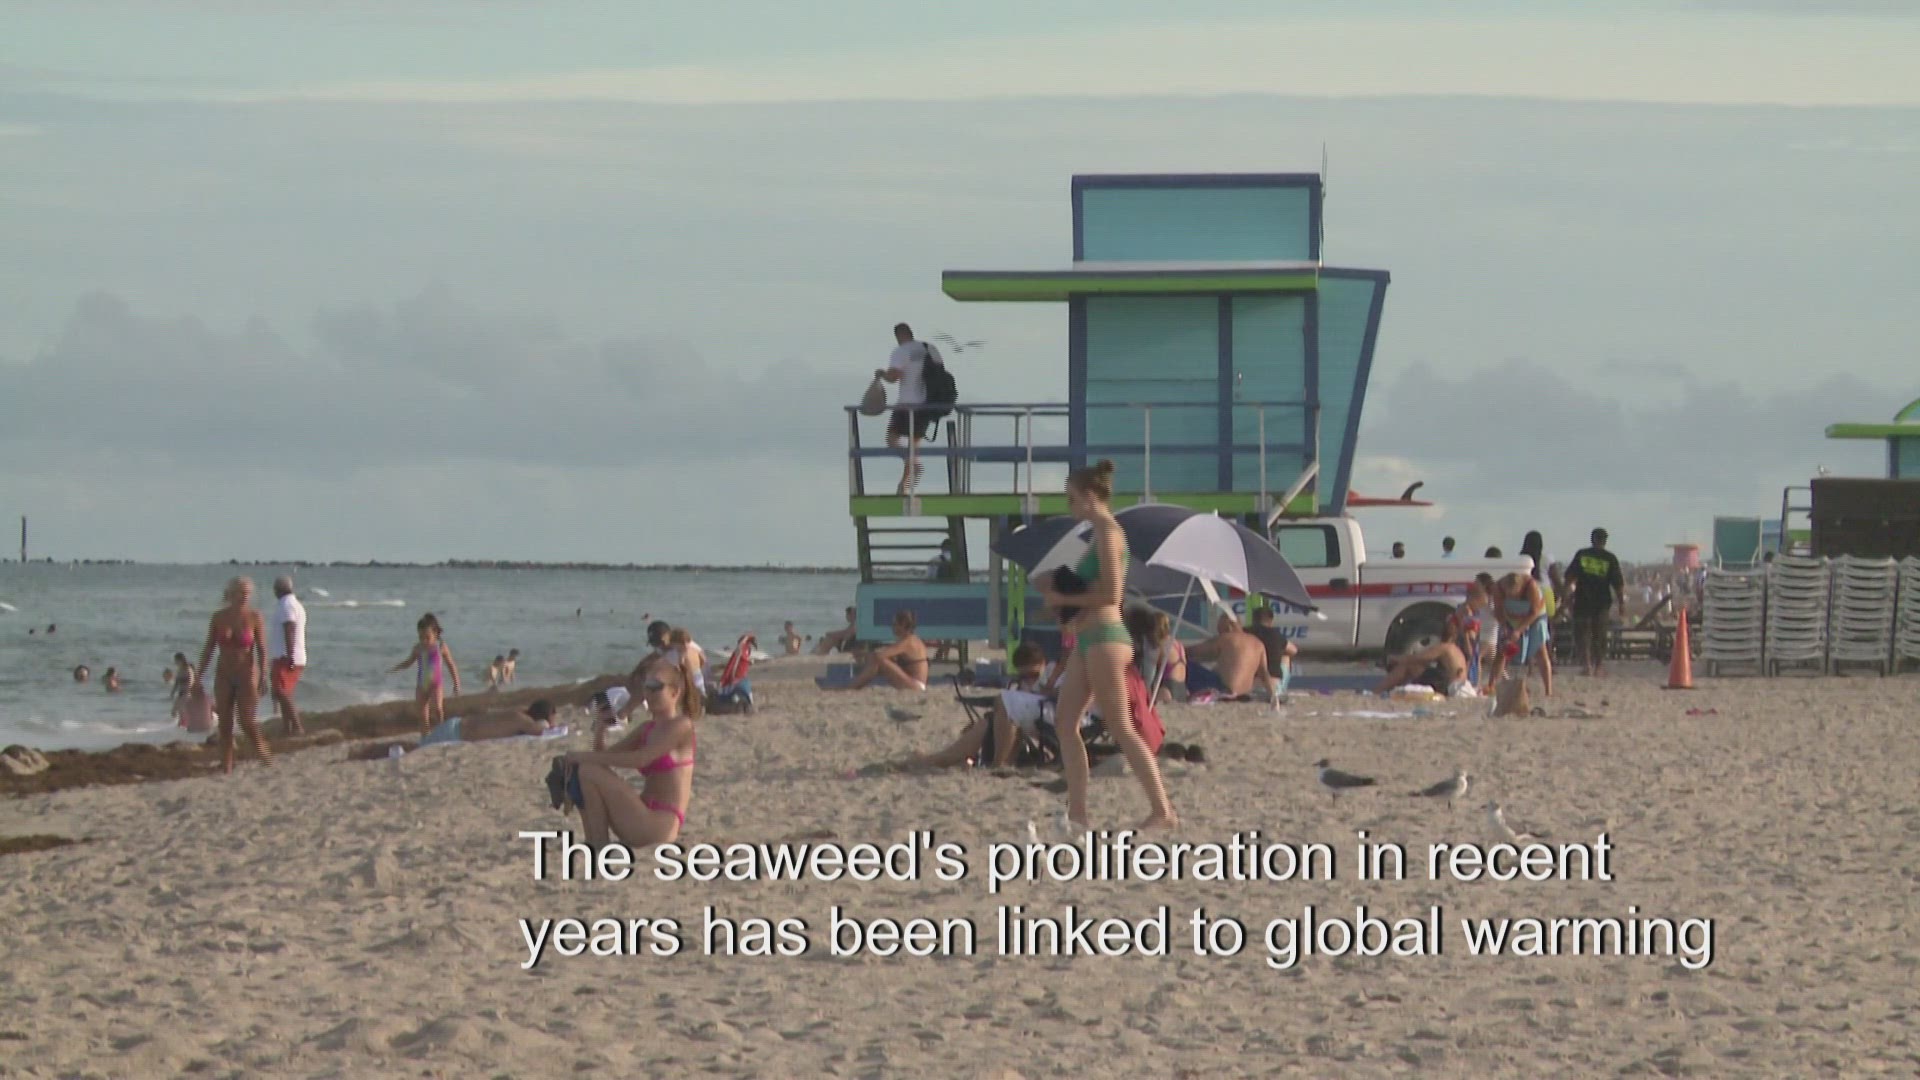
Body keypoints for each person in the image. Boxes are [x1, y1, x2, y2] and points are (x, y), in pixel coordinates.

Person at [1031, 459, 1177, 832]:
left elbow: (1113, 594)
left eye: (1072, 498)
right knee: (1065, 723)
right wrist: (1060, 593)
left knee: (1120, 726)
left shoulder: (1110, 534)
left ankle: (1162, 810)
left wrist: (1064, 599)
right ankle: (1078, 813)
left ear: (1089, 497)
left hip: (1106, 638)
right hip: (1088, 638)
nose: (1069, 506)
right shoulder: (1098, 536)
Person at [561, 655, 702, 848]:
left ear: (674, 692)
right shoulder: (647, 728)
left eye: (656, 687)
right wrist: (600, 730)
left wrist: (580, 757)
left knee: (587, 768)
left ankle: (598, 842)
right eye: (646, 687)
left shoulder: (681, 725)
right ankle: (595, 840)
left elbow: (641, 759)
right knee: (586, 770)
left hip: (660, 824)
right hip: (641, 815)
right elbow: (605, 758)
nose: (649, 693)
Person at [899, 643, 1062, 770]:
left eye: (1033, 675)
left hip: (1049, 719)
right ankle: (938, 759)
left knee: (992, 720)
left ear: (1044, 664)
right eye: (1023, 676)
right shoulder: (1023, 684)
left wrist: (1047, 690)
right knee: (985, 724)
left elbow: (1064, 698)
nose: (1029, 681)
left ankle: (939, 760)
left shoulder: (1054, 673)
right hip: (1027, 721)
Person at [196, 576, 274, 773]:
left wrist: (264, 675)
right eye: (241, 592)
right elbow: (209, 648)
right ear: (231, 593)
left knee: (246, 721)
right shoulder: (218, 617)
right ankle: (227, 765)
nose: (245, 597)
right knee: (224, 723)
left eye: (248, 593)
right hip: (224, 673)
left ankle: (264, 754)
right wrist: (198, 675)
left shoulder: (255, 616)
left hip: (247, 673)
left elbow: (262, 648)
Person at [347, 700, 559, 760]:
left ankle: (367, 751)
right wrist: (550, 724)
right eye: (552, 716)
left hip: (456, 726)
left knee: (415, 746)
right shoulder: (523, 721)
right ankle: (365, 753)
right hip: (455, 733)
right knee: (412, 749)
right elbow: (541, 730)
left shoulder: (517, 713)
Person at [874, 322, 942, 495]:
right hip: (926, 405)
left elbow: (893, 376)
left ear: (899, 335)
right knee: (914, 446)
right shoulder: (929, 349)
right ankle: (904, 485)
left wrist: (881, 374)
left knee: (891, 440)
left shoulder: (901, 351)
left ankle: (913, 466)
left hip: (906, 404)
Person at [1564, 527, 1627, 677]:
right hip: (1602, 603)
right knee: (1600, 634)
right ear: (1605, 541)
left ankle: (1587, 665)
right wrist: (1621, 604)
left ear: (1592, 539)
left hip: (1582, 600)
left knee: (1582, 634)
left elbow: (1569, 578)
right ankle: (1598, 666)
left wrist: (1567, 599)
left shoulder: (1582, 555)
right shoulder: (1610, 558)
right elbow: (1618, 584)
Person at [390, 613, 461, 736]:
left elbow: (451, 665)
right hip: (422, 685)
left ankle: (442, 732)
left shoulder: (441, 647)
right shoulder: (418, 648)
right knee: (422, 715)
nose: (424, 640)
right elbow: (409, 662)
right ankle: (425, 737)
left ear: (435, 634)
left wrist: (456, 683)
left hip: (436, 684)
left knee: (437, 709)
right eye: (421, 637)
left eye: (427, 637)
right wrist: (397, 667)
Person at [1185, 613, 1281, 701]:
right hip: (1244, 694)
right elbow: (1264, 674)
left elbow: (1191, 652)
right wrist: (1273, 695)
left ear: (1229, 627)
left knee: (1187, 665)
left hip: (1225, 690)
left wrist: (1177, 647)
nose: (1219, 633)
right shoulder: (1258, 643)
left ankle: (1180, 692)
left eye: (1220, 630)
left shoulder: (1226, 638)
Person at [829, 609, 929, 691]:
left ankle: (852, 687)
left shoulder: (908, 641)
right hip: (915, 684)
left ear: (903, 625)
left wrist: (864, 655)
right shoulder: (913, 639)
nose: (892, 627)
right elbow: (888, 653)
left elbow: (879, 656)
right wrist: (865, 655)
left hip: (915, 686)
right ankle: (854, 686)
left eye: (895, 624)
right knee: (876, 661)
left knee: (877, 659)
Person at [1488, 571, 1550, 697]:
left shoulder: (1531, 586)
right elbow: (1498, 610)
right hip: (1511, 617)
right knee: (1501, 651)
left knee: (1540, 650)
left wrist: (1519, 630)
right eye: (1509, 595)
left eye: (1515, 594)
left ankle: (1548, 690)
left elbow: (1534, 611)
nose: (1512, 597)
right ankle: (1491, 686)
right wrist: (1504, 626)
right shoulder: (1498, 588)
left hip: (1534, 617)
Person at [268, 576, 307, 736]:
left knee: (281, 691)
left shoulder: (287, 605)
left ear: (278, 590)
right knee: (284, 691)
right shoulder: (293, 604)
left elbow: (289, 628)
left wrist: (290, 656)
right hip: (286, 656)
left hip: (287, 657)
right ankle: (287, 728)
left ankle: (297, 726)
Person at [1130, 608, 1187, 705]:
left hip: (1168, 688)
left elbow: (1150, 673)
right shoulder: (1179, 645)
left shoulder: (1161, 645)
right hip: (1182, 688)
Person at [1377, 641, 1471, 695]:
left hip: (1452, 686)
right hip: (1457, 684)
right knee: (1413, 666)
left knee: (1407, 666)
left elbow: (1419, 658)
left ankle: (1377, 692)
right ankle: (1388, 691)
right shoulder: (1457, 651)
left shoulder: (1446, 648)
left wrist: (1396, 659)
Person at [1247, 606, 1298, 687]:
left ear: (1253, 620)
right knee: (1285, 657)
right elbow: (1293, 650)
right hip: (1272, 683)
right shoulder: (1275, 635)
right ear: (1271, 620)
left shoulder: (1245, 633)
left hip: (1247, 683)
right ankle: (1280, 687)